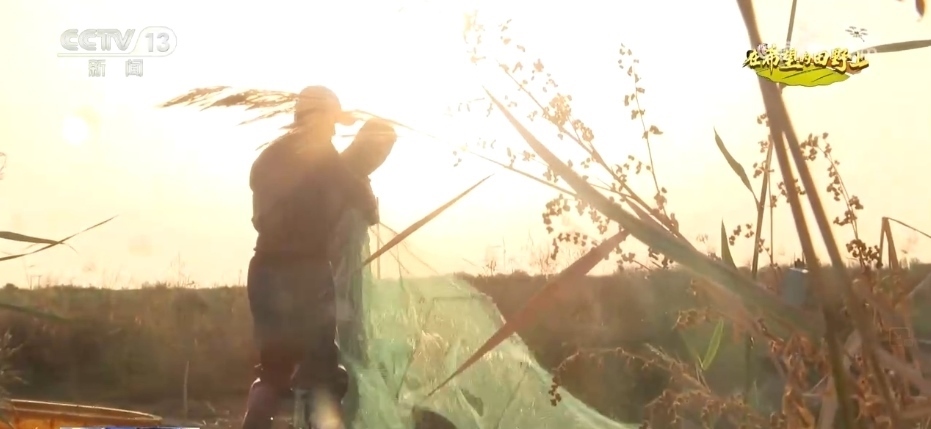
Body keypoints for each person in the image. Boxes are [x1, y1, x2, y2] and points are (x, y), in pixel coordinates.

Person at [243, 85, 378, 429]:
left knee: (273, 372)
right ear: (318, 118)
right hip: (305, 274)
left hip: (263, 273)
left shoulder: (268, 157)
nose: (333, 131)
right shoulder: (320, 154)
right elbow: (361, 198)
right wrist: (368, 203)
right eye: (331, 122)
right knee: (322, 376)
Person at [327, 118, 398, 425]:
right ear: (363, 143)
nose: (380, 161)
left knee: (354, 360)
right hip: (331, 287)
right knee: (340, 363)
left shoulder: (355, 179)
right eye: (378, 152)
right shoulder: (339, 175)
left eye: (386, 155)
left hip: (351, 285)